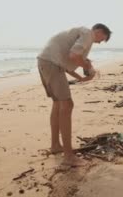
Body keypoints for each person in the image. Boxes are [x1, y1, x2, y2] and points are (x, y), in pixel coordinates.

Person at [37, 23, 111, 167]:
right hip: (51, 64)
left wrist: (80, 77)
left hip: (45, 62)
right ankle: (68, 157)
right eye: (103, 39)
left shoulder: (78, 33)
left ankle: (56, 145)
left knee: (58, 103)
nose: (100, 42)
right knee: (68, 104)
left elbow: (67, 62)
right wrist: (88, 67)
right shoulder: (88, 34)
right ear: (99, 31)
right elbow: (74, 55)